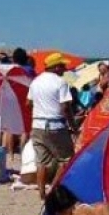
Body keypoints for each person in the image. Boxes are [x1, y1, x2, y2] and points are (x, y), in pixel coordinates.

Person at [27, 53, 76, 199]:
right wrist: (73, 126)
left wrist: (40, 111)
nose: (65, 69)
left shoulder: (35, 82)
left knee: (41, 161)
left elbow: (28, 103)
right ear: (55, 67)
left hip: (37, 125)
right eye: (62, 66)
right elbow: (66, 107)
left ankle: (42, 192)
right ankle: (53, 190)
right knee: (66, 159)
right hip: (55, 126)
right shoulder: (60, 82)